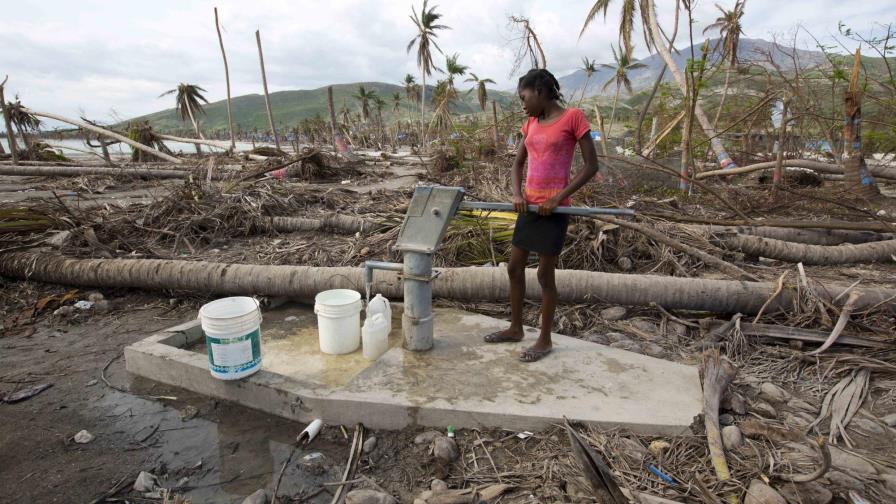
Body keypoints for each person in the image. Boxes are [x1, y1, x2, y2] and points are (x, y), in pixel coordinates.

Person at [483, 68, 600, 362]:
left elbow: (591, 166)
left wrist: (558, 197)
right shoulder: (530, 123)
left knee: (545, 275)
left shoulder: (573, 117)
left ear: (541, 91)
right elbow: (517, 165)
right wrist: (516, 194)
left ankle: (545, 339)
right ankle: (515, 328)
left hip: (555, 209)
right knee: (513, 267)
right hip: (530, 207)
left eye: (524, 97)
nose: (522, 104)